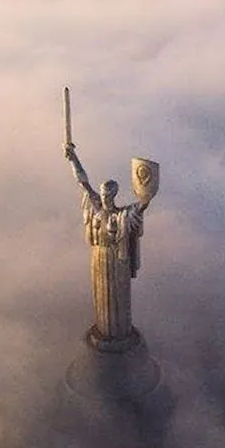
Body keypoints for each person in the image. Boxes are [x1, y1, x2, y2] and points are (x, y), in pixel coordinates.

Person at [64, 142, 149, 342]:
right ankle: (104, 330)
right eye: (102, 194)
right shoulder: (95, 207)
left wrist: (145, 183)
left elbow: (143, 205)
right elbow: (82, 182)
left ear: (113, 196)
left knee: (118, 298)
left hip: (117, 259)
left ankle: (119, 333)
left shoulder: (123, 216)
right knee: (101, 296)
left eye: (107, 195)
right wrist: (72, 158)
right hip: (98, 256)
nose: (103, 198)